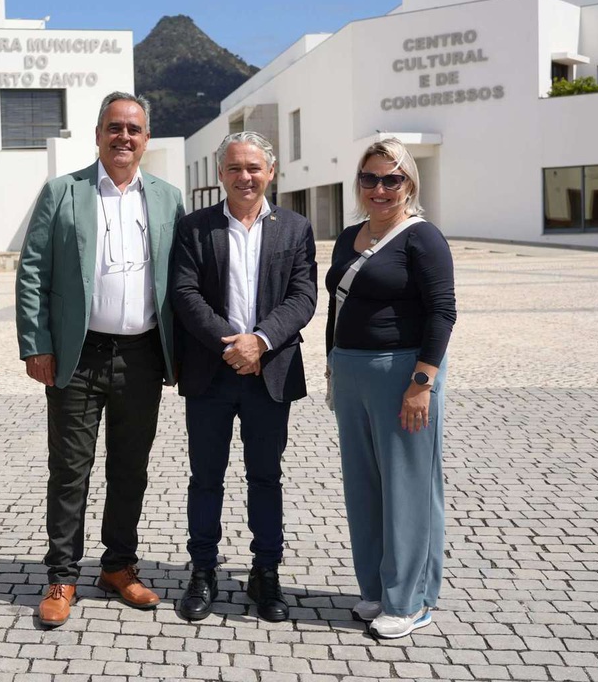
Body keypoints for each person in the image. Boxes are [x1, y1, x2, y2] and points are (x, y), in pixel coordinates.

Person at [16, 91, 185, 627]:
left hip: (142, 356)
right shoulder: (63, 193)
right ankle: (62, 575)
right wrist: (35, 342)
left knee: (130, 469)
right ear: (97, 134)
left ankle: (118, 566)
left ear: (146, 140)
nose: (124, 137)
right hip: (79, 354)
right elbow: (33, 270)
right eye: (114, 127)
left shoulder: (166, 197)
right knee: (70, 470)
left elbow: (181, 278)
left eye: (134, 129)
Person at [170, 132, 317, 622]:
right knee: (205, 478)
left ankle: (265, 574)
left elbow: (303, 297)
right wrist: (230, 345)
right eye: (234, 168)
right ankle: (203, 571)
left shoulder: (295, 228)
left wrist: (261, 341)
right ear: (220, 174)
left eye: (254, 168)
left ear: (270, 172)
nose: (244, 177)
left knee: (265, 478)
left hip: (268, 373)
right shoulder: (194, 227)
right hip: (212, 374)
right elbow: (185, 294)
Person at [325, 137, 456, 640]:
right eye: (370, 179)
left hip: (403, 373)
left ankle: (413, 601)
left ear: (409, 184)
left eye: (391, 179)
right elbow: (338, 306)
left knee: (409, 490)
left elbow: (443, 312)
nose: (379, 189)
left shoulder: (423, 238)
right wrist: (333, 367)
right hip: (352, 371)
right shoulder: (348, 236)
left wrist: (422, 382)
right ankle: (379, 590)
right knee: (364, 489)